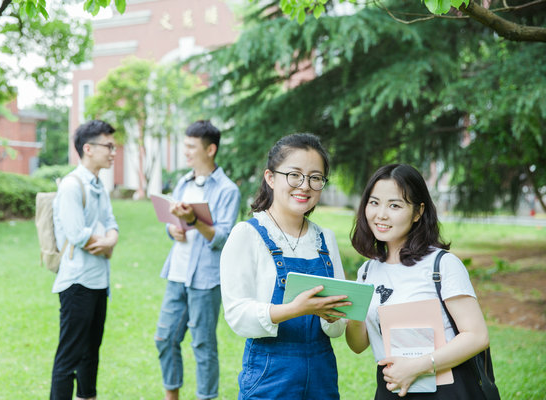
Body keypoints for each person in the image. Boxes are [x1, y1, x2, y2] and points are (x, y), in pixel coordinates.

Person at [220, 133, 350, 400]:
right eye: (294, 175)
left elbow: (339, 326)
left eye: (315, 177)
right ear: (270, 177)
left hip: (322, 373)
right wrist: (294, 310)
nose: (305, 186)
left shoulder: (325, 239)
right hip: (270, 373)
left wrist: (331, 317)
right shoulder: (247, 234)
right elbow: (236, 314)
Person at [346, 164, 490, 399]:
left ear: (417, 212)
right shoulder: (367, 271)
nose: (381, 214)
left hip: (445, 389)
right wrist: (349, 311)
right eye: (374, 203)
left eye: (394, 205)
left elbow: (476, 336)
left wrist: (417, 366)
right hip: (391, 388)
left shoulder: (442, 264)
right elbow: (358, 345)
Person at [155, 120, 241, 400]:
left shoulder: (227, 190)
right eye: (186, 145)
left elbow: (223, 238)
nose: (186, 152)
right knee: (165, 339)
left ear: (211, 149)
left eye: (192, 147)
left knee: (203, 345)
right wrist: (173, 228)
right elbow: (172, 224)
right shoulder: (183, 182)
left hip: (205, 279)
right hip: (176, 274)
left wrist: (195, 220)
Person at [50, 120, 120, 400]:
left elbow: (111, 222)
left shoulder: (98, 185)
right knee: (69, 357)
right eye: (109, 146)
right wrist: (107, 244)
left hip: (98, 282)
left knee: (91, 354)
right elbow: (77, 235)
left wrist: (109, 242)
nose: (113, 152)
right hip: (77, 282)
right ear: (88, 148)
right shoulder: (71, 185)